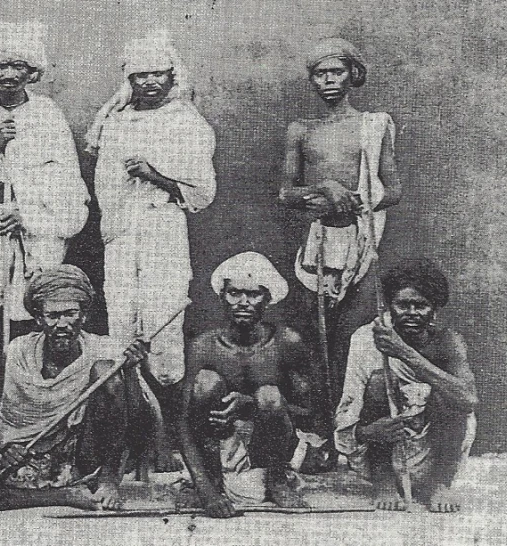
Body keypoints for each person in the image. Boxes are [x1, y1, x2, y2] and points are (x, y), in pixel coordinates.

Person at [0, 22, 89, 462]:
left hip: (36, 230)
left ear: (33, 73)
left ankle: (33, 433)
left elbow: (68, 183)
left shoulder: (47, 115)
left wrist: (28, 212)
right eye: (2, 64)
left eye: (19, 66)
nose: (9, 74)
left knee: (32, 327)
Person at [85, 31, 216, 467]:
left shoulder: (187, 122)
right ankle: (130, 442)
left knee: (163, 324)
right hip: (122, 232)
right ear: (130, 79)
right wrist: (120, 213)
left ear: (171, 75)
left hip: (163, 227)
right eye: (140, 75)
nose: (150, 83)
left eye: (158, 74)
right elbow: (105, 183)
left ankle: (171, 443)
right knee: (122, 323)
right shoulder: (116, 121)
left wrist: (154, 174)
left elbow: (201, 193)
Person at [0, 265, 148, 513]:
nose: (62, 324)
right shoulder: (20, 351)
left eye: (70, 314)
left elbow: (138, 424)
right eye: (53, 315)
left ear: (84, 316)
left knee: (105, 370)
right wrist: (8, 447)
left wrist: (130, 371)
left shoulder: (104, 350)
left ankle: (106, 481)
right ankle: (62, 495)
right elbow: (8, 416)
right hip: (30, 454)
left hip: (84, 456)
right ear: (38, 318)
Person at [279, 38, 402, 446]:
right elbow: (286, 193)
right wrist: (326, 188)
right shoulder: (301, 130)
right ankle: (317, 438)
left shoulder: (373, 125)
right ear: (311, 80)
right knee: (314, 343)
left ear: (352, 74)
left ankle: (350, 437)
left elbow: (394, 189)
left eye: (337, 71)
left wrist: (358, 200)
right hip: (316, 244)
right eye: (320, 73)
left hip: (361, 242)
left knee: (354, 339)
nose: (329, 80)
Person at [334, 259, 478, 512]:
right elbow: (346, 412)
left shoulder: (447, 341)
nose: (411, 312)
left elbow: (468, 399)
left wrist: (402, 352)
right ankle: (385, 483)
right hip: (381, 450)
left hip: (434, 452)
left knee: (447, 393)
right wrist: (369, 432)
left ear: (434, 309)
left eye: (420, 306)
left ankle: (439, 485)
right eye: (403, 305)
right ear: (389, 306)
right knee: (379, 382)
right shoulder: (366, 339)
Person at [178, 252, 311, 518]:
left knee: (269, 395)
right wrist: (204, 488)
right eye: (234, 293)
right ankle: (214, 479)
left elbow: (309, 414)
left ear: (268, 299)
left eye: (253, 294)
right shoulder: (204, 346)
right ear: (222, 296)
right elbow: (182, 421)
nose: (243, 302)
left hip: (271, 447)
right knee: (205, 383)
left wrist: (251, 406)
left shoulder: (287, 342)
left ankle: (276, 481)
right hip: (218, 445)